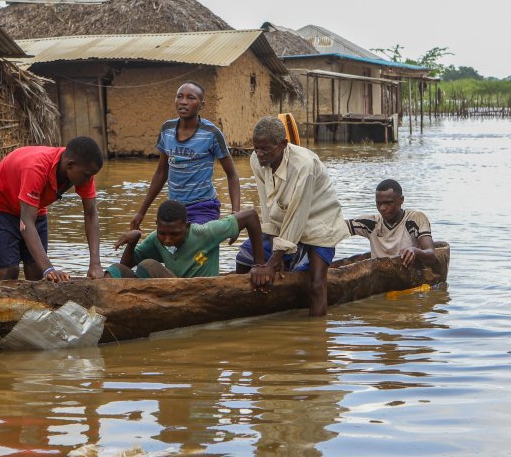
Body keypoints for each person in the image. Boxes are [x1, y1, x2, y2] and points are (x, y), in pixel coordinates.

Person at [236, 116, 349, 316]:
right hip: (283, 225)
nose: (259, 154)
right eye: (256, 148)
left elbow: (298, 216)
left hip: (319, 224)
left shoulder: (303, 166)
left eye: (265, 149)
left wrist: (274, 261)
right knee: (244, 258)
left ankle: (317, 340)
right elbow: (267, 206)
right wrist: (267, 261)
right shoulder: (256, 160)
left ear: (283, 145)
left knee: (315, 285)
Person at [0, 137, 105, 282]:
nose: (89, 180)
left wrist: (95, 263)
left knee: (35, 269)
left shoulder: (83, 173)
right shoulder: (36, 169)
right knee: (10, 269)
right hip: (1, 204)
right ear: (70, 165)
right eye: (87, 175)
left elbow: (91, 215)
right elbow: (26, 222)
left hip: (34, 206)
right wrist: (49, 268)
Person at [130, 81, 241, 229]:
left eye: (191, 98)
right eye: (179, 97)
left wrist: (235, 214)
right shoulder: (167, 129)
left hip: (203, 207)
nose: (183, 102)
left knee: (196, 243)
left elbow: (232, 175)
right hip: (175, 209)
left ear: (202, 105)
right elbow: (161, 173)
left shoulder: (212, 134)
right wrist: (141, 213)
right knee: (167, 247)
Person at [109, 200, 266, 279]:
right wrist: (133, 242)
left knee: (148, 265)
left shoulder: (206, 232)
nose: (167, 240)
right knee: (115, 269)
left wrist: (259, 264)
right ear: (157, 226)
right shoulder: (155, 239)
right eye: (162, 233)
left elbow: (250, 216)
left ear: (187, 226)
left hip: (196, 291)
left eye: (174, 234)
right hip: (167, 291)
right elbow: (126, 266)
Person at [346, 179, 437, 268]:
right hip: (378, 276)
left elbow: (431, 254)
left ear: (401, 200)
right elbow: (337, 228)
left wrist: (414, 251)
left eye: (388, 203)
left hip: (409, 275)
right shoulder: (371, 223)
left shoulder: (415, 219)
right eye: (378, 203)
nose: (382, 208)